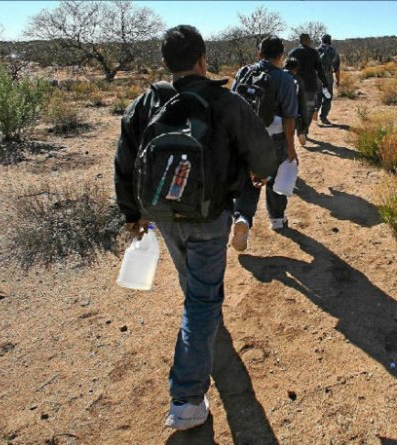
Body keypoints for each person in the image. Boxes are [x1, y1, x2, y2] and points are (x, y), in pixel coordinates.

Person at [114, 25, 277, 430]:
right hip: (210, 215)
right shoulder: (225, 102)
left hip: (163, 215)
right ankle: (186, 399)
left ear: (166, 63)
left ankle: (202, 321)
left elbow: (124, 160)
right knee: (202, 301)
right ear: (203, 60)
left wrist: (132, 214)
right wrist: (257, 176)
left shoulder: (145, 103)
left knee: (192, 281)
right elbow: (263, 155)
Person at [230, 36, 298, 252]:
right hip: (274, 139)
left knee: (248, 183)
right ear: (281, 56)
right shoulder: (286, 80)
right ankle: (277, 219)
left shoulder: (244, 72)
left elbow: (233, 103)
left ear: (259, 54)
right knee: (275, 179)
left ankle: (242, 218)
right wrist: (291, 147)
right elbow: (289, 117)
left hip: (245, 137)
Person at [287, 33, 328, 144]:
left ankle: (300, 130)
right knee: (308, 109)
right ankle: (303, 131)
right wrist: (325, 83)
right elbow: (320, 70)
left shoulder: (293, 52)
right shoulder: (313, 52)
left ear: (300, 40)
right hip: (310, 86)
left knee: (296, 109)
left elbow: (286, 69)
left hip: (295, 86)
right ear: (308, 41)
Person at [283, 57, 310, 146]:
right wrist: (305, 123)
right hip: (292, 113)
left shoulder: (275, 76)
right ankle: (301, 132)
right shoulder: (297, 80)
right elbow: (303, 103)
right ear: (296, 69)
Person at [316, 34, 341, 125]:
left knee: (317, 96)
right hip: (328, 76)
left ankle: (314, 112)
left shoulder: (316, 50)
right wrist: (338, 80)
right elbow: (337, 68)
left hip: (316, 77)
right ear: (330, 41)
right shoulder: (333, 51)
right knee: (327, 96)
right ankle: (323, 117)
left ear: (321, 41)